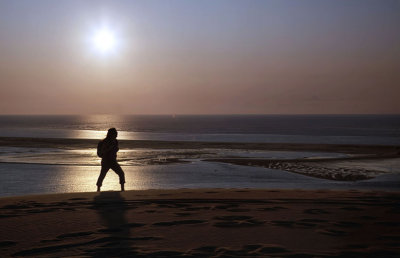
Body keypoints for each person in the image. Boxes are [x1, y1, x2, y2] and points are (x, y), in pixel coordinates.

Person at [96, 128, 125, 192]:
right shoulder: (104, 142)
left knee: (121, 173)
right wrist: (109, 148)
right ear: (111, 134)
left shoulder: (115, 141)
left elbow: (115, 150)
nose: (117, 135)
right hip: (106, 161)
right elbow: (101, 153)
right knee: (102, 175)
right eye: (115, 133)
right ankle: (98, 189)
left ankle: (122, 189)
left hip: (113, 161)